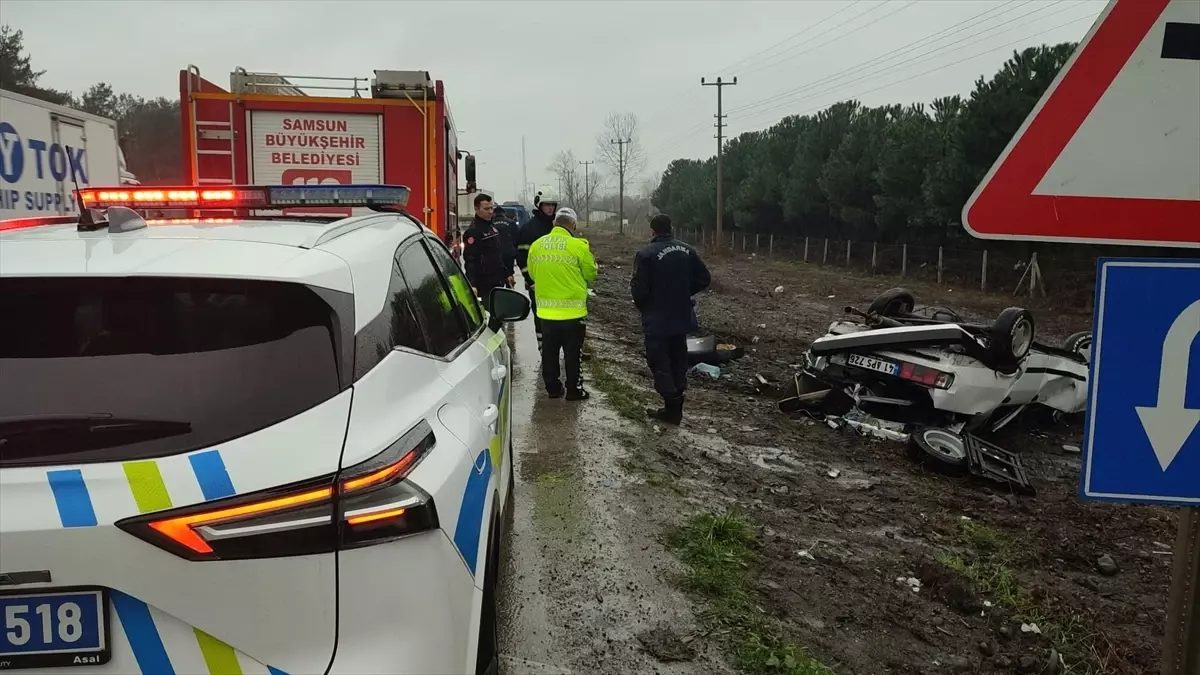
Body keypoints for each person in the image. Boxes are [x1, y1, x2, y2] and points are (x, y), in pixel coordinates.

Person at [630, 213, 711, 425]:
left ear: (652, 231)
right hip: (681, 316)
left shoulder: (646, 254)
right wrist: (684, 293)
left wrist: (647, 307)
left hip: (657, 319)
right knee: (678, 359)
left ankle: (672, 406)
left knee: (659, 361)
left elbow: (639, 290)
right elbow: (704, 278)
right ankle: (676, 402)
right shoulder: (688, 250)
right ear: (671, 228)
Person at [526, 207, 597, 400]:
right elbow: (591, 273)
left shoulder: (537, 245)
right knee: (573, 354)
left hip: (546, 313)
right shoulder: (579, 246)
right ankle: (574, 390)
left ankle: (553, 388)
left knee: (549, 352)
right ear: (573, 225)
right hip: (573, 313)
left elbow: (532, 273)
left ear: (554, 223)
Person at [516, 187, 560, 347]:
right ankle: (544, 349)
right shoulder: (528, 229)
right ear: (539, 205)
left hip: (558, 283)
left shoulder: (558, 228)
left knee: (559, 319)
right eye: (547, 204)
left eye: (553, 205)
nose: (550, 208)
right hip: (538, 285)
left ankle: (557, 348)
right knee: (541, 319)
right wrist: (531, 281)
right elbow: (522, 258)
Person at [462, 194, 515, 298]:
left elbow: (497, 256)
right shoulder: (473, 231)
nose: (490, 212)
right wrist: (472, 284)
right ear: (476, 209)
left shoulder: (492, 228)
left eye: (491, 208)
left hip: (497, 282)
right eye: (486, 209)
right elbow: (470, 260)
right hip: (483, 284)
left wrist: (507, 274)